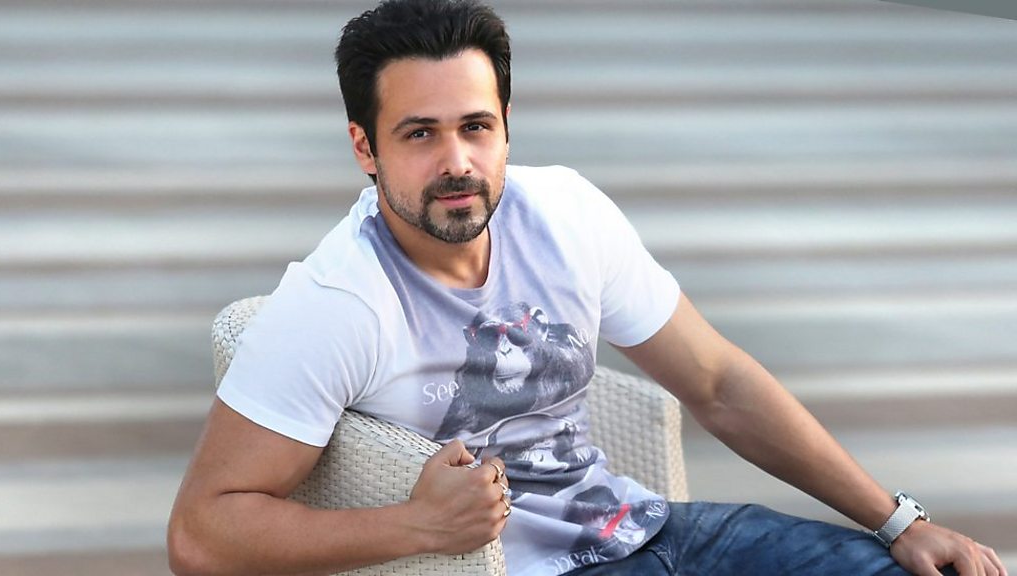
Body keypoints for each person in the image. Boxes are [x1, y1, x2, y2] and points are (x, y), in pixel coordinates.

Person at [166, 1, 1008, 575]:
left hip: (648, 529)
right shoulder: (337, 302)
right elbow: (201, 535)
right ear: (365, 147)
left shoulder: (565, 213)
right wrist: (415, 526)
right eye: (419, 134)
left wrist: (898, 521)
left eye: (476, 127)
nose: (457, 162)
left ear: (506, 128)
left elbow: (718, 384)